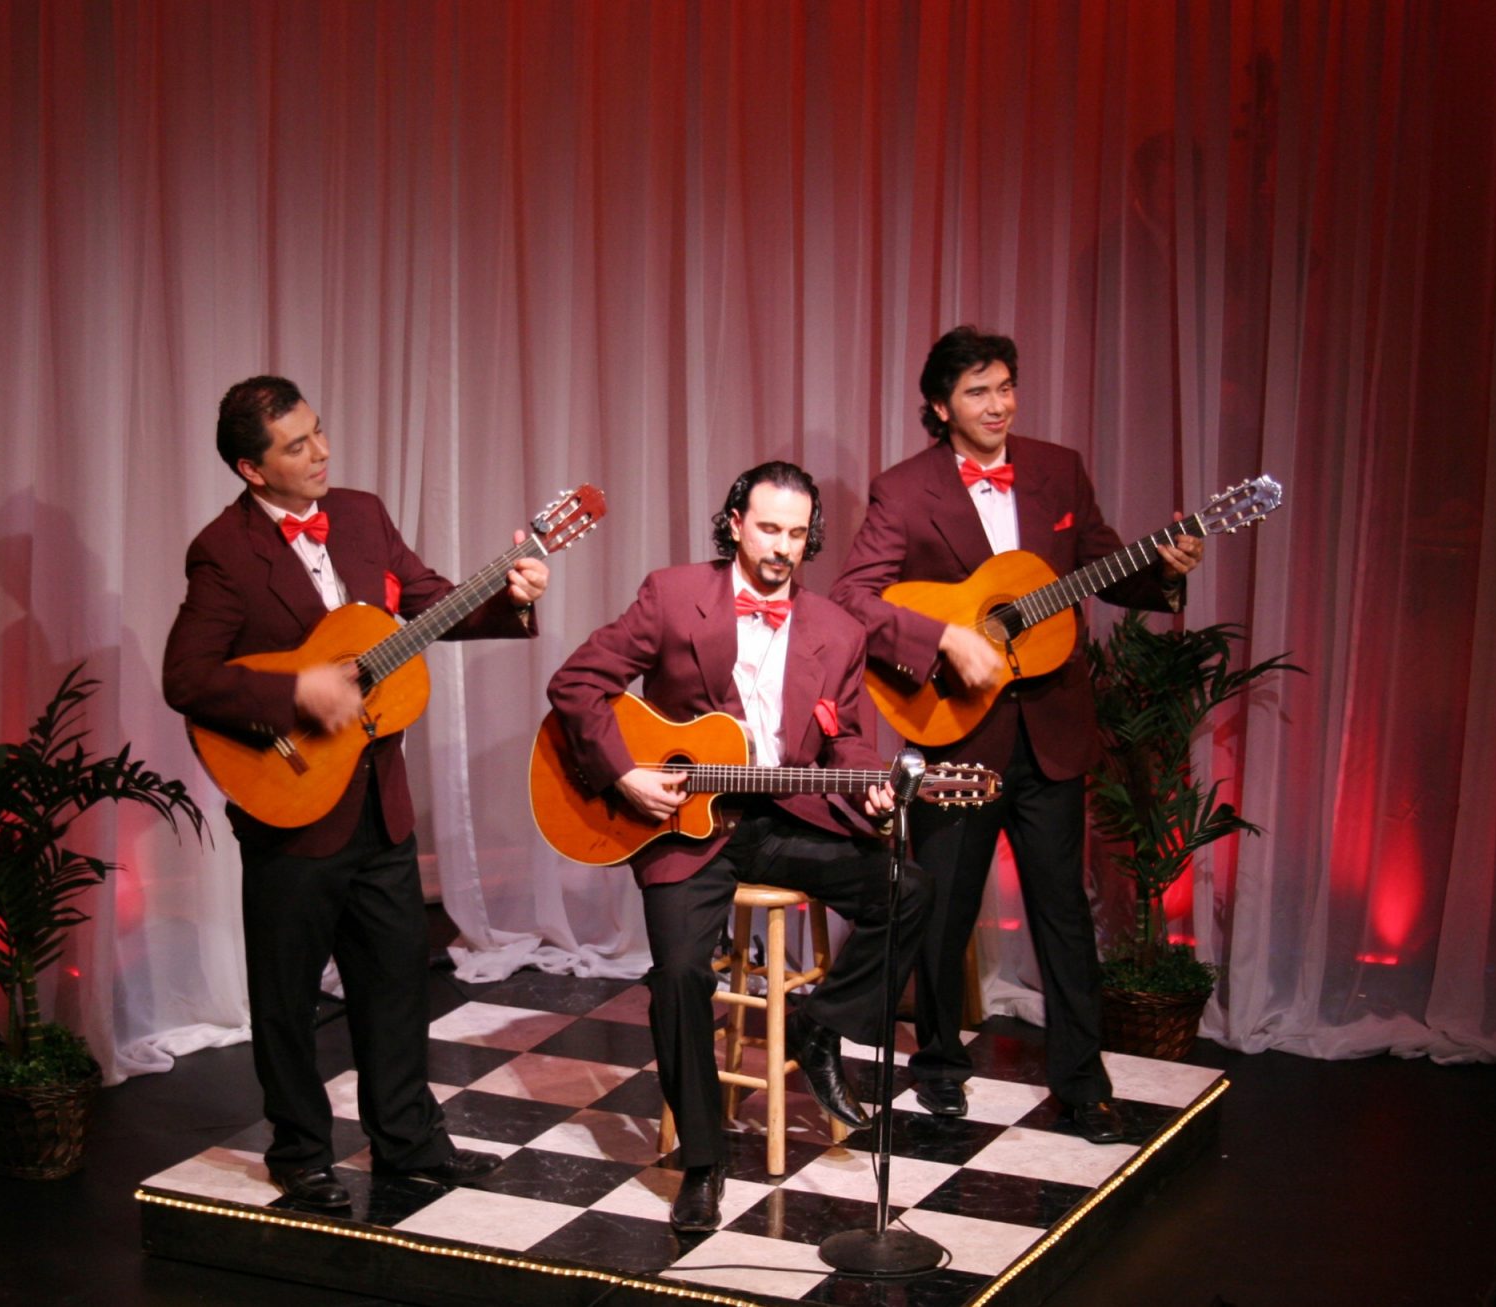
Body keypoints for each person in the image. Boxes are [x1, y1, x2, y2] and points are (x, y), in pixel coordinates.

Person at [162, 376, 549, 1208]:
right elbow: (186, 677)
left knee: (397, 982)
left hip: (380, 798)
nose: (321, 452)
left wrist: (508, 598)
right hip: (292, 802)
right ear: (251, 468)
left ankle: (408, 1141)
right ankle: (300, 1151)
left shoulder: (363, 514)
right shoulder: (224, 550)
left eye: (319, 431)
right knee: (287, 994)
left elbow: (430, 602)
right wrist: (297, 691)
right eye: (296, 445)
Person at [829, 326, 1203, 1144]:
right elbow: (854, 595)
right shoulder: (905, 489)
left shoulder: (1057, 468)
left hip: (1053, 728)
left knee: (1063, 910)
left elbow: (1105, 562)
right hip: (957, 729)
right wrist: (943, 640)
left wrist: (1166, 571)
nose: (998, 404)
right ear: (940, 406)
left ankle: (1083, 1083)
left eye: (1005, 387)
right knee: (944, 910)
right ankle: (938, 1062)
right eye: (978, 391)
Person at [546, 461, 926, 1232]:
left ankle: (821, 1025)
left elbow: (848, 740)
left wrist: (871, 783)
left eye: (797, 533)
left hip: (784, 818)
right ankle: (703, 1159)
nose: (783, 546)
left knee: (908, 888)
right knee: (680, 973)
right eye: (769, 528)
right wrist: (624, 776)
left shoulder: (838, 631)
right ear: (735, 524)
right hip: (684, 823)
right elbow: (576, 683)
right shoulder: (671, 594)